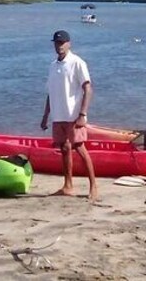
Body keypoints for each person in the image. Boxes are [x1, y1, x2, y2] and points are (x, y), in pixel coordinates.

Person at [40, 29, 97, 201]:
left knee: (79, 148)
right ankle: (68, 186)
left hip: (73, 115)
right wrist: (45, 116)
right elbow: (50, 93)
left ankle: (93, 186)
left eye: (62, 43)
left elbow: (88, 89)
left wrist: (82, 114)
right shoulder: (53, 66)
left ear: (69, 43)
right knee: (64, 149)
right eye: (57, 43)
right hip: (58, 116)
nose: (60, 46)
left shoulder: (77, 62)